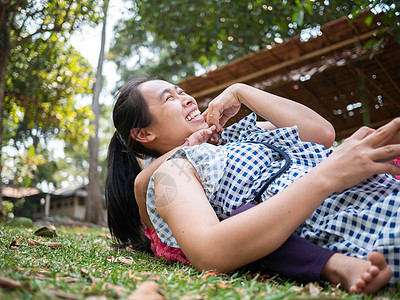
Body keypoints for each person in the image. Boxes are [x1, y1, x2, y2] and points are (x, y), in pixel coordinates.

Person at [106, 76, 398, 294]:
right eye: (169, 98)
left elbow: (321, 133)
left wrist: (240, 90)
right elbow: (209, 250)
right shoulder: (173, 172)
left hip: (376, 184)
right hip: (352, 218)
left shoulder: (235, 136)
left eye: (182, 91)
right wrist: (329, 175)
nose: (188, 99)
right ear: (143, 134)